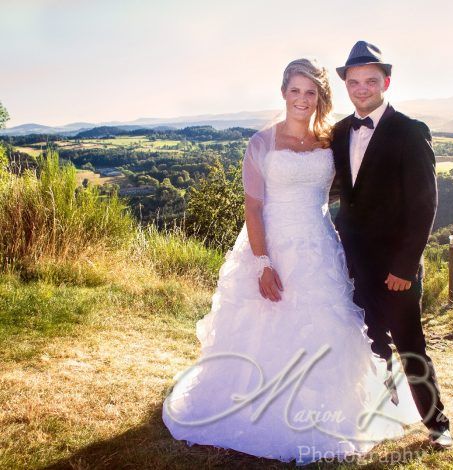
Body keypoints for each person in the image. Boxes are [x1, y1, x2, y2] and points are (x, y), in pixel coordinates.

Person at [162, 58, 421, 466]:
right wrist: (263, 263)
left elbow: (358, 183)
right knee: (268, 325)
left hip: (320, 248)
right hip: (274, 248)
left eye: (310, 92)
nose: (302, 99)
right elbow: (253, 207)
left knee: (328, 325)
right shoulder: (261, 143)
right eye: (295, 90)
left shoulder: (328, 142)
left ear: (320, 97)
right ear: (283, 92)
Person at [330, 41, 452, 448]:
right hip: (350, 264)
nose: (361, 88)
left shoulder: (410, 131)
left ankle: (438, 424)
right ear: (346, 85)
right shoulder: (340, 132)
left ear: (386, 81)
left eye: (370, 80)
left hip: (396, 268)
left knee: (410, 344)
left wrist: (404, 266)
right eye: (354, 81)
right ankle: (381, 414)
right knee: (369, 343)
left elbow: (424, 205)